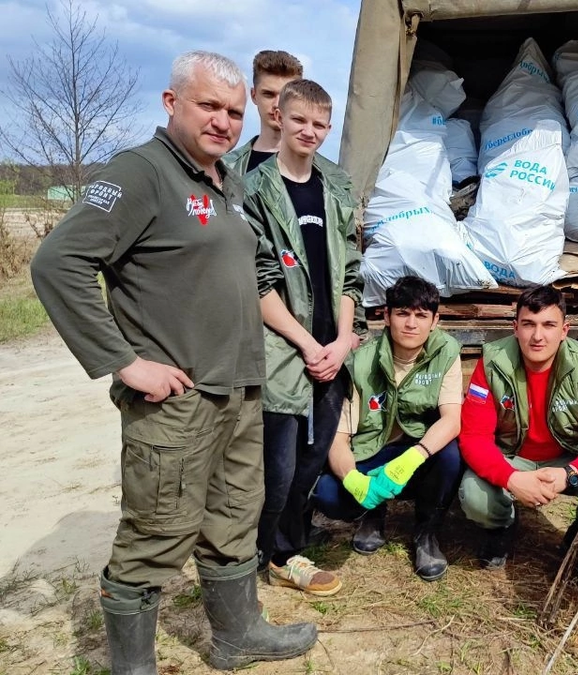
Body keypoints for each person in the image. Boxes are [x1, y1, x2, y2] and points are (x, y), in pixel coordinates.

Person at [30, 50, 316, 673]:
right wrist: (125, 362)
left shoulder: (227, 182)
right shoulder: (142, 173)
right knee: (157, 532)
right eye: (209, 106)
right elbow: (59, 264)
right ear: (172, 103)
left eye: (235, 112)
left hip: (239, 392)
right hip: (177, 402)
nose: (224, 121)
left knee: (233, 521)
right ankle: (132, 665)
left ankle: (237, 637)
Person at [243, 79, 361, 596]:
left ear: (328, 128)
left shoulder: (335, 188)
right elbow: (259, 279)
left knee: (313, 460)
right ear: (278, 118)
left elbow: (350, 274)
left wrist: (341, 341)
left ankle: (283, 547)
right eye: (299, 121)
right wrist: (308, 345)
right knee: (279, 465)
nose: (308, 131)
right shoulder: (253, 189)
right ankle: (263, 554)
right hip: (283, 349)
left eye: (319, 124)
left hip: (330, 351)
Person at [458, 285, 578, 570]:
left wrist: (570, 474)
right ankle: (502, 526)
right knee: (473, 494)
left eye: (548, 325)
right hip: (514, 457)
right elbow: (474, 436)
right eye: (528, 325)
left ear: (564, 330)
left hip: (566, 459)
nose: (537, 336)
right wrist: (511, 478)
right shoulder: (492, 363)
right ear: (515, 328)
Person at [311, 276, 463, 582]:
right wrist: (353, 479)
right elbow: (339, 438)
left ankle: (426, 531)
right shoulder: (359, 363)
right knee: (328, 493)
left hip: (417, 453)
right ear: (386, 316)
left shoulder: (446, 351)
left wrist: (415, 456)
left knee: (450, 456)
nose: (411, 324)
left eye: (421, 316)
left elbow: (451, 419)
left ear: (435, 321)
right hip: (373, 452)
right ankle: (373, 514)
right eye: (402, 313)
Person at [225, 50, 343, 182]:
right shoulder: (226, 168)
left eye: (284, 96)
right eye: (268, 94)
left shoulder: (333, 177)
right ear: (254, 95)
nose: (277, 104)